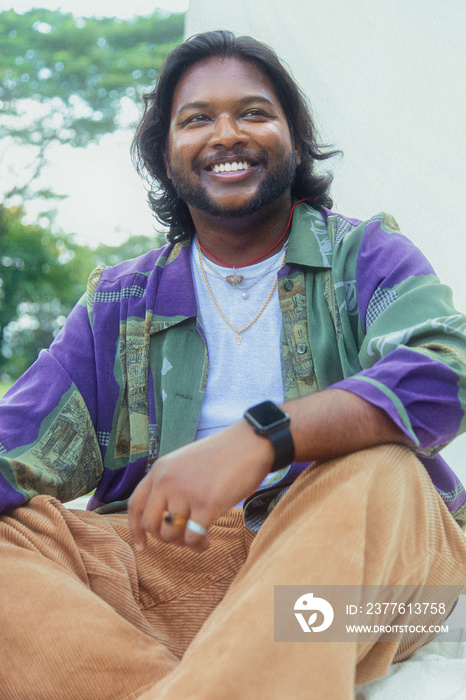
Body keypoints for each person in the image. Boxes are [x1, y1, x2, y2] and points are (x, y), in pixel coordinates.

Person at [1, 29, 466, 699]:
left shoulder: (364, 256)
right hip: (173, 571)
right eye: (197, 120)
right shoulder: (121, 302)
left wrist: (260, 438)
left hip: (353, 581)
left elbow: (445, 371)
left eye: (253, 112)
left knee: (379, 469)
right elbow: (14, 444)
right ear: (165, 157)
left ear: (294, 140)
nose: (227, 134)